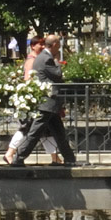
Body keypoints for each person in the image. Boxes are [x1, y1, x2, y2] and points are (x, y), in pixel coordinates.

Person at [11, 34, 75, 166]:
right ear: (55, 45)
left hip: (50, 104)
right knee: (34, 133)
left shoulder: (42, 57)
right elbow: (58, 74)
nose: (60, 48)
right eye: (59, 45)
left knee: (59, 133)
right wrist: (57, 61)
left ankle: (70, 159)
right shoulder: (46, 59)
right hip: (47, 103)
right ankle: (18, 158)